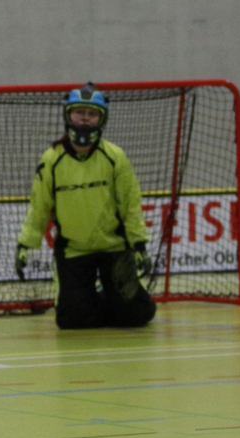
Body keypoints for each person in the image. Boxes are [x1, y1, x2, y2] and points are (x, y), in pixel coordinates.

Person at [14, 85, 156, 330]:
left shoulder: (115, 156)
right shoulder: (51, 159)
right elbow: (40, 206)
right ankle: (98, 299)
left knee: (135, 316)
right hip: (74, 250)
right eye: (79, 112)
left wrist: (139, 244)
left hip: (114, 247)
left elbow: (130, 205)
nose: (85, 119)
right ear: (68, 115)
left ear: (102, 119)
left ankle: (113, 299)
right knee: (72, 320)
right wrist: (25, 244)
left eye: (92, 114)